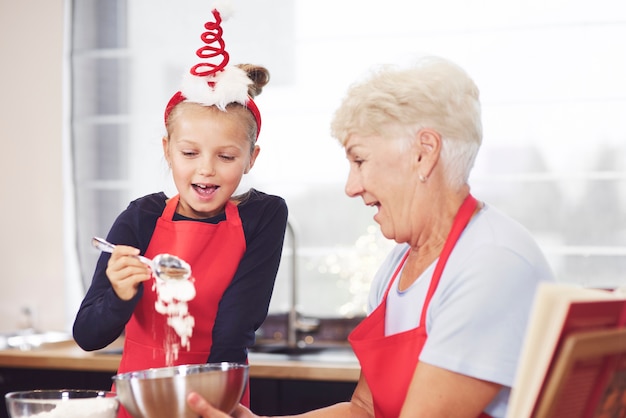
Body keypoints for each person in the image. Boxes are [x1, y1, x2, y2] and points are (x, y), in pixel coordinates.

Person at [185, 55, 556, 418]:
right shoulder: (398, 266)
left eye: (359, 160)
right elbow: (364, 410)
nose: (351, 186)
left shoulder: (490, 263)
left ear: (424, 153)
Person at [72, 5, 287, 418]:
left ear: (251, 158)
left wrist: (207, 405)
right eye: (189, 152)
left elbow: (235, 326)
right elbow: (88, 335)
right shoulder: (140, 218)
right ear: (167, 150)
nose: (205, 168)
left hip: (218, 400)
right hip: (139, 404)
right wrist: (120, 293)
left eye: (226, 156)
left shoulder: (264, 216)